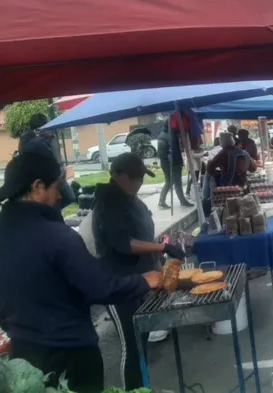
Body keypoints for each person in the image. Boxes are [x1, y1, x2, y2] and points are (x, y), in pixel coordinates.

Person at [0, 153, 163, 393]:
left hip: (24, 360)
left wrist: (22, 329)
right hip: (73, 357)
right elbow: (99, 288)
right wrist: (143, 281)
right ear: (37, 187)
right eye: (56, 186)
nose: (60, 195)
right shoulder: (59, 238)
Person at [93, 152, 186, 390]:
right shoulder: (108, 202)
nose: (139, 182)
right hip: (117, 283)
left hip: (140, 279)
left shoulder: (132, 199)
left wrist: (159, 253)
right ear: (120, 175)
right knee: (131, 344)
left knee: (141, 338)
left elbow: (143, 236)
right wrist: (162, 247)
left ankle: (141, 387)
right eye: (136, 177)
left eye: (142, 177)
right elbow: (124, 244)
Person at [18, 113, 76, 209]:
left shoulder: (24, 139)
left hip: (35, 180)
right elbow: (54, 158)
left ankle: (49, 211)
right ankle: (51, 211)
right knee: (69, 197)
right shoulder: (45, 139)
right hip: (51, 177)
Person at [157, 121, 193, 209]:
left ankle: (162, 201)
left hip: (166, 162)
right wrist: (178, 162)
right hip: (172, 163)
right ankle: (182, 201)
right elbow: (173, 151)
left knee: (170, 182)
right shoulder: (170, 136)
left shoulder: (163, 135)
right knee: (176, 182)